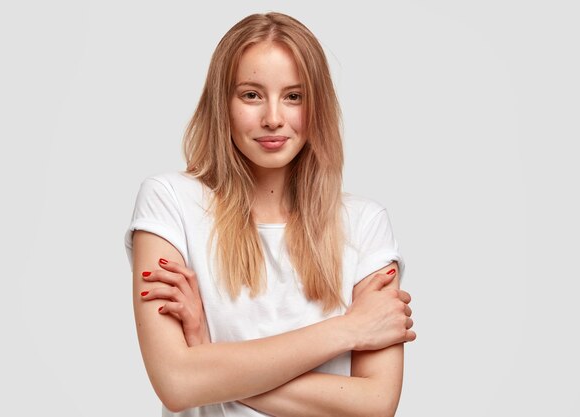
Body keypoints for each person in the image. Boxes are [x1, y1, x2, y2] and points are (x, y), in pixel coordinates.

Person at [125, 12, 415, 416]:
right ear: (221, 103)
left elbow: (374, 405)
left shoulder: (364, 224)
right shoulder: (170, 201)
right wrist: (348, 329)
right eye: (251, 95)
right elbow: (176, 383)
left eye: (294, 96)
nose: (273, 118)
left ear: (317, 107)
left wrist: (207, 358)